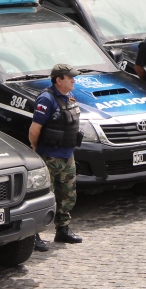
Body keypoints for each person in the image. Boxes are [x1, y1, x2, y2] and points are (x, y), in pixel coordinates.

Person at [29, 64, 83, 248]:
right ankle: (34, 235)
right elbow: (35, 129)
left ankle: (63, 230)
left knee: (68, 195)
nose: (73, 80)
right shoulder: (46, 99)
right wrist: (35, 148)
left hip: (67, 155)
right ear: (59, 80)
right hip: (49, 156)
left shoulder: (69, 97)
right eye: (70, 77)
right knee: (45, 196)